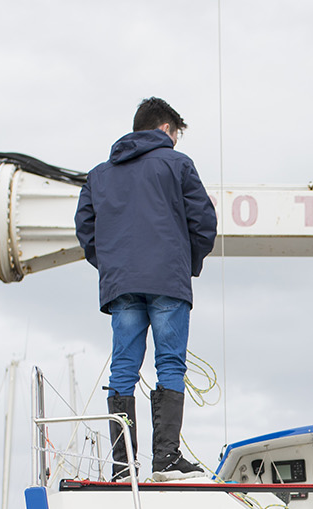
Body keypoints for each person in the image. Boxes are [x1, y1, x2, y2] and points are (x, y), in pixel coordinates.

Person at [75, 97, 218, 479]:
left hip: (121, 285)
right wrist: (184, 263)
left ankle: (123, 466)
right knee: (169, 364)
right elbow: (204, 222)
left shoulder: (98, 175)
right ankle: (166, 460)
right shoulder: (177, 164)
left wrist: (112, 265)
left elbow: (85, 230)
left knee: (123, 367)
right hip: (168, 280)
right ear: (165, 130)